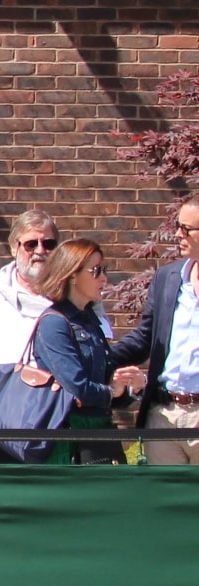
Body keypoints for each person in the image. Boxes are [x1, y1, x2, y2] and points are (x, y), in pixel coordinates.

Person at [0, 239, 137, 463]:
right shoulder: (55, 323)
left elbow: (103, 381)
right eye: (96, 271)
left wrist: (129, 387)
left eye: (104, 270)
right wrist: (112, 391)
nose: (104, 278)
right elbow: (77, 386)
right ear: (72, 274)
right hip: (68, 438)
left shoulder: (91, 320)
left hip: (99, 434)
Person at [112, 198, 199, 465]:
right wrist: (102, 358)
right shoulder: (168, 278)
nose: (177, 235)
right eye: (177, 226)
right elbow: (146, 337)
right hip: (163, 414)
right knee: (166, 503)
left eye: (186, 229)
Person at [0, 210, 61, 415]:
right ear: (13, 248)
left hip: (60, 421)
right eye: (31, 244)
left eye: (49, 244)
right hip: (4, 419)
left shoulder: (71, 294)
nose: (40, 251)